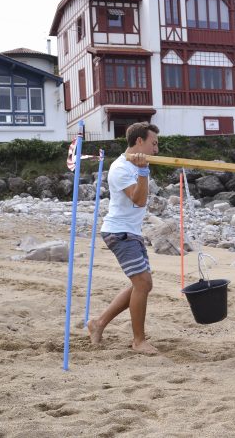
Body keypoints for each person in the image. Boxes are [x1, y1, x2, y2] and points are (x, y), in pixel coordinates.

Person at [88, 122, 160, 354]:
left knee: (141, 284)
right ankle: (138, 341)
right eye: (153, 143)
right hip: (119, 232)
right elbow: (138, 200)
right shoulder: (121, 168)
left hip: (132, 232)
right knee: (143, 284)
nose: (156, 150)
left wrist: (142, 170)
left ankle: (98, 323)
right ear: (140, 141)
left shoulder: (134, 165)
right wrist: (143, 171)